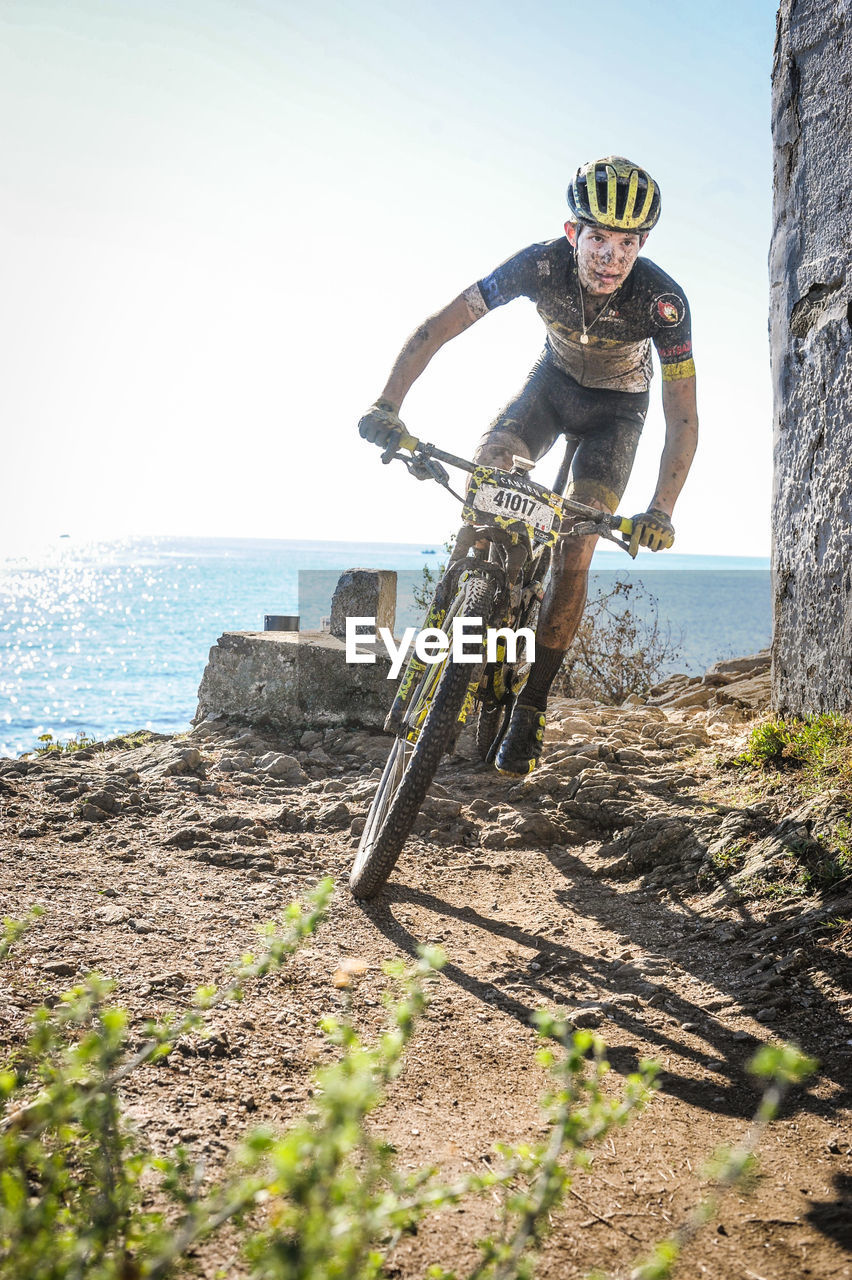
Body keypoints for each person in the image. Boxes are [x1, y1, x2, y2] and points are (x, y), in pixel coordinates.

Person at [358, 156, 698, 776]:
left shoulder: (663, 302)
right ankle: (449, 622)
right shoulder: (537, 265)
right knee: (488, 474)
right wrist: (387, 404)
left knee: (579, 546)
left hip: (616, 418)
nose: (611, 258)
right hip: (550, 389)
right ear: (574, 234)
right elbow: (441, 326)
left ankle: (531, 704)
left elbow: (683, 417)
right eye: (599, 238)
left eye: (628, 243)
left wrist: (660, 511)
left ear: (642, 245)